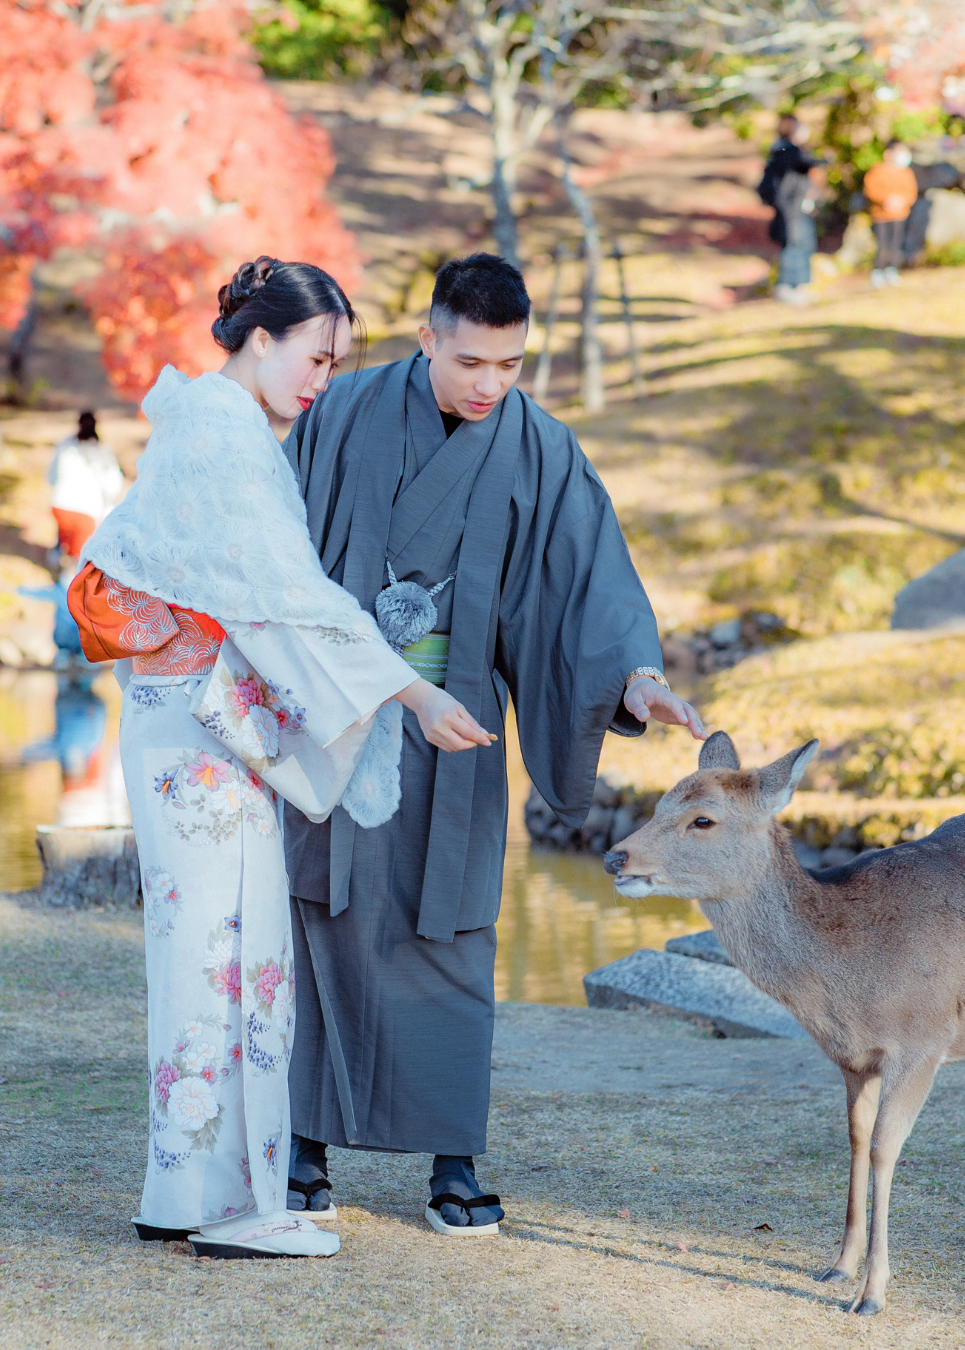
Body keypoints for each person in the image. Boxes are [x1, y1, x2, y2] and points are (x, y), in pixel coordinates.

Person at [66, 258, 489, 1258]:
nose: (322, 380)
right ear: (261, 337)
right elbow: (289, 598)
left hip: (194, 724)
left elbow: (266, 596)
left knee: (218, 953)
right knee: (230, 956)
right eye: (314, 356)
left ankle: (190, 1192)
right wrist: (415, 690)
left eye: (335, 365)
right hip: (200, 727)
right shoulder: (220, 436)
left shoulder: (219, 430)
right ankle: (228, 1205)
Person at [282, 252, 706, 1235]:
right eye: (470, 360)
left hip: (458, 729)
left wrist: (632, 678)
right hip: (337, 722)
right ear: (426, 336)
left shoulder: (541, 450)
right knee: (319, 923)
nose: (489, 385)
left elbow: (586, 585)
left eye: (510, 365)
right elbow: (277, 563)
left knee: (454, 934)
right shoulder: (335, 418)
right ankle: (302, 1143)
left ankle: (453, 1159)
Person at [757, 113, 825, 305]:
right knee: (793, 246)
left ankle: (799, 286)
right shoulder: (787, 150)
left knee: (802, 245)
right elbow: (804, 164)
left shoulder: (781, 150)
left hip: (795, 208)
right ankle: (788, 286)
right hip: (791, 209)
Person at [47, 411, 124, 565]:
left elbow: (51, 477)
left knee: (69, 544)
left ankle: (59, 555)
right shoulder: (103, 452)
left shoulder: (65, 446)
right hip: (86, 511)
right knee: (78, 560)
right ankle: (65, 585)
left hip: (61, 506)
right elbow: (113, 486)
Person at [863, 141, 918, 288]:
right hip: (880, 215)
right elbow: (871, 190)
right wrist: (885, 200)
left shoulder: (906, 172)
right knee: (882, 244)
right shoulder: (877, 171)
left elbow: (911, 193)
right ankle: (878, 271)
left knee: (896, 243)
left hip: (899, 215)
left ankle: (892, 269)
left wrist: (901, 201)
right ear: (889, 154)